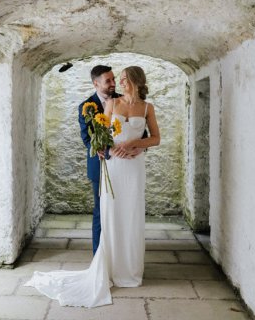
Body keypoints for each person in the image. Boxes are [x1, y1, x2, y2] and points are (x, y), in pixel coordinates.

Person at [25, 66, 160, 307]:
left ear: (135, 82)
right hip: (113, 166)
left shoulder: (147, 108)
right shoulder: (111, 104)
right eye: (112, 80)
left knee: (132, 215)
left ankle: (129, 269)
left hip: (134, 167)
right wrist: (110, 149)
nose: (116, 83)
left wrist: (137, 145)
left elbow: (155, 137)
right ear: (96, 83)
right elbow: (98, 135)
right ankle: (106, 266)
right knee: (107, 214)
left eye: (121, 79)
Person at [77, 65, 118, 254]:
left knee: (120, 209)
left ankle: (119, 254)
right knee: (100, 211)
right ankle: (98, 256)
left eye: (113, 79)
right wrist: (97, 149)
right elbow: (86, 137)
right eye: (108, 80)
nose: (113, 83)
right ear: (96, 83)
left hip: (122, 165)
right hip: (98, 165)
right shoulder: (86, 106)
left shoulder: (122, 101)